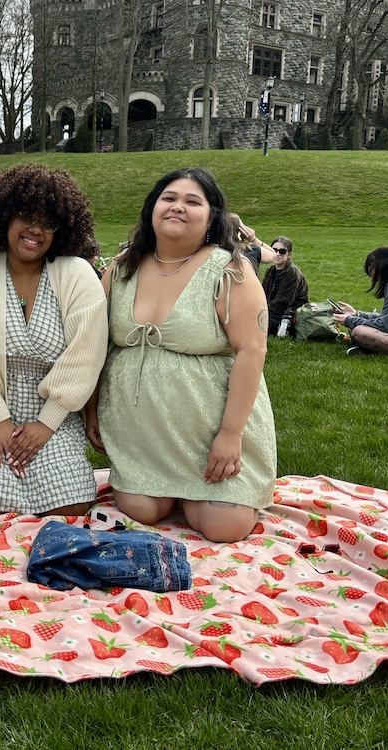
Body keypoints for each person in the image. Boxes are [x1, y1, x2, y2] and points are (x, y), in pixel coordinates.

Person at [85, 167, 276, 543]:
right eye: (169, 198)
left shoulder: (230, 270)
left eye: (192, 201)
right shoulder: (122, 268)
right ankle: (169, 491)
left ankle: (202, 491)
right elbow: (93, 345)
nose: (178, 207)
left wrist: (230, 433)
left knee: (225, 528)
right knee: (141, 509)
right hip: (143, 440)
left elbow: (252, 351)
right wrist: (90, 409)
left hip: (212, 438)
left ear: (211, 217)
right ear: (152, 209)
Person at [0, 163, 108, 517]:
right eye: (25, 216)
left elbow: (86, 355)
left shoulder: (77, 274)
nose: (35, 230)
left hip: (55, 418)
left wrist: (46, 424)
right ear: (4, 217)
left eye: (47, 222)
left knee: (70, 506)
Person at [261, 236, 308, 335]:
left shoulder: (293, 274)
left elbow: (282, 304)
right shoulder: (270, 272)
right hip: (272, 311)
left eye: (282, 251)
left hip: (289, 316)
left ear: (289, 254)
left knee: (255, 321)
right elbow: (262, 295)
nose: (277, 254)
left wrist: (260, 311)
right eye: (274, 250)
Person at [228, 213, 275, 278]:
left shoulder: (215, 250)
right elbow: (273, 254)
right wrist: (253, 239)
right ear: (241, 230)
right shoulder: (252, 250)